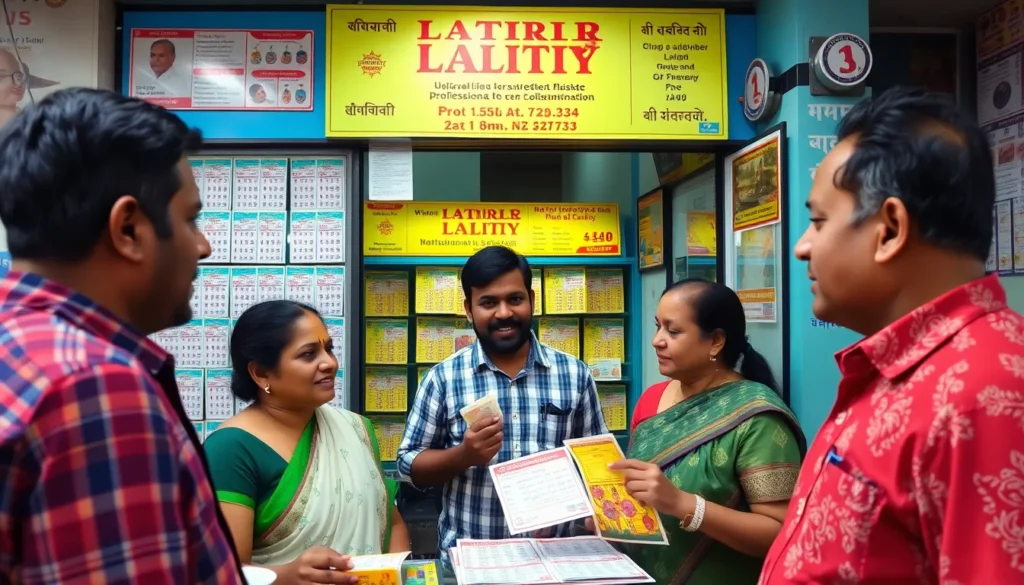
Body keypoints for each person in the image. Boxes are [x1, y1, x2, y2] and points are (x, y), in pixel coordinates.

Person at [760, 87, 1024, 584]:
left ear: (889, 229)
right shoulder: (897, 370)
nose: (802, 247)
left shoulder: (987, 396)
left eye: (818, 221)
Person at [0, 88, 243, 583]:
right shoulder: (94, 386)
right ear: (128, 230)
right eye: (190, 219)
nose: (203, 246)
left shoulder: (18, 343)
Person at [397, 246, 608, 578]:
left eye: (515, 299)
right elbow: (408, 466)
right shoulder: (443, 379)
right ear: (469, 309)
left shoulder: (574, 375)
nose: (504, 313)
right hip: (472, 567)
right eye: (488, 303)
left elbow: (597, 464)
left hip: (557, 563)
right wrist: (464, 455)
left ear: (532, 300)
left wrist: (591, 512)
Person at [604, 279, 805, 584]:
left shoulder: (758, 418)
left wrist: (681, 504)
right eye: (658, 326)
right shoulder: (652, 400)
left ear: (716, 341)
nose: (657, 341)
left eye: (673, 331)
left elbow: (779, 533)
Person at [205, 300, 410, 584]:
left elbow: (392, 523)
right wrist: (286, 576)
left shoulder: (355, 428)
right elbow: (222, 574)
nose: (329, 363)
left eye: (329, 349)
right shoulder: (231, 450)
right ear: (261, 373)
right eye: (308, 354)